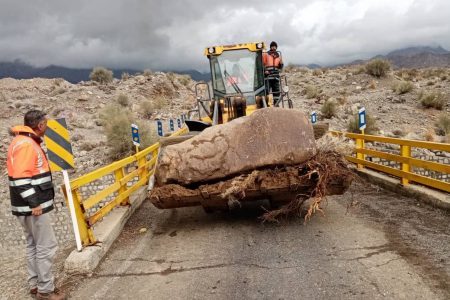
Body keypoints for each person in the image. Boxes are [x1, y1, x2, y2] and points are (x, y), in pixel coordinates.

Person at [7, 110, 65, 300]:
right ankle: (45, 290)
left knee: (33, 245)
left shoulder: (20, 142)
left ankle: (35, 285)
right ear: (40, 125)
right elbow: (21, 179)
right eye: (45, 124)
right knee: (46, 246)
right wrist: (34, 203)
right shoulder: (26, 145)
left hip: (24, 207)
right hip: (33, 207)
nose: (47, 127)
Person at [263, 41, 284, 106]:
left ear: (276, 47)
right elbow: (262, 64)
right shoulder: (266, 54)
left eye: (275, 46)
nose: (273, 47)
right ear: (270, 47)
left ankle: (276, 105)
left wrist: (281, 64)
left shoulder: (279, 55)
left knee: (277, 91)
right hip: (268, 76)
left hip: (276, 75)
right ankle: (265, 105)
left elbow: (280, 67)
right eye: (272, 46)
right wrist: (265, 70)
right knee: (266, 91)